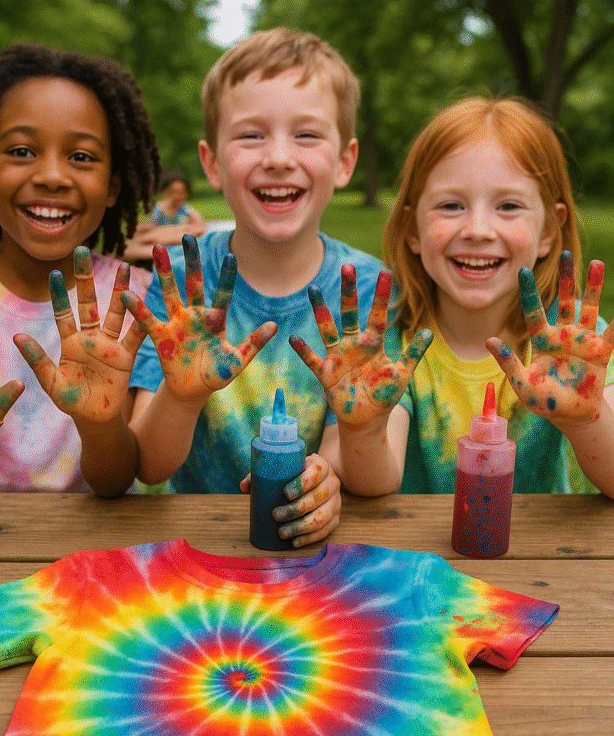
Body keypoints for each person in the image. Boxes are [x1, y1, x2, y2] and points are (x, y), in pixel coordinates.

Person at [123, 28, 431, 547]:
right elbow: (149, 466)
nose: (279, 157)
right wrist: (181, 393)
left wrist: (331, 469)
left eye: (307, 135)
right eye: (251, 135)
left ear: (345, 161)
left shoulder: (372, 294)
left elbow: (378, 479)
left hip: (317, 557)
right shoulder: (179, 284)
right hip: (198, 550)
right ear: (212, 163)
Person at [0, 43, 160, 504]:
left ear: (113, 186)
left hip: (90, 558)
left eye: (81, 157)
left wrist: (99, 424)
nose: (53, 175)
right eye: (21, 150)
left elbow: (116, 482)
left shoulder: (134, 299)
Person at [374, 95, 614, 497]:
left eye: (508, 206)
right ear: (412, 229)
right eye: (451, 205)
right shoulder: (394, 339)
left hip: (535, 559)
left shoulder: (576, 344)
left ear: (550, 231)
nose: (478, 229)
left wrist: (586, 421)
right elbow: (375, 481)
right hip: (413, 556)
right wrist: (360, 427)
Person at [123, 170, 206, 262]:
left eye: (181, 192)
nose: (177, 196)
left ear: (186, 194)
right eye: (174, 192)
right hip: (159, 243)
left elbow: (201, 225)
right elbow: (150, 228)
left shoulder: (185, 210)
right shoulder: (159, 209)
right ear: (165, 192)